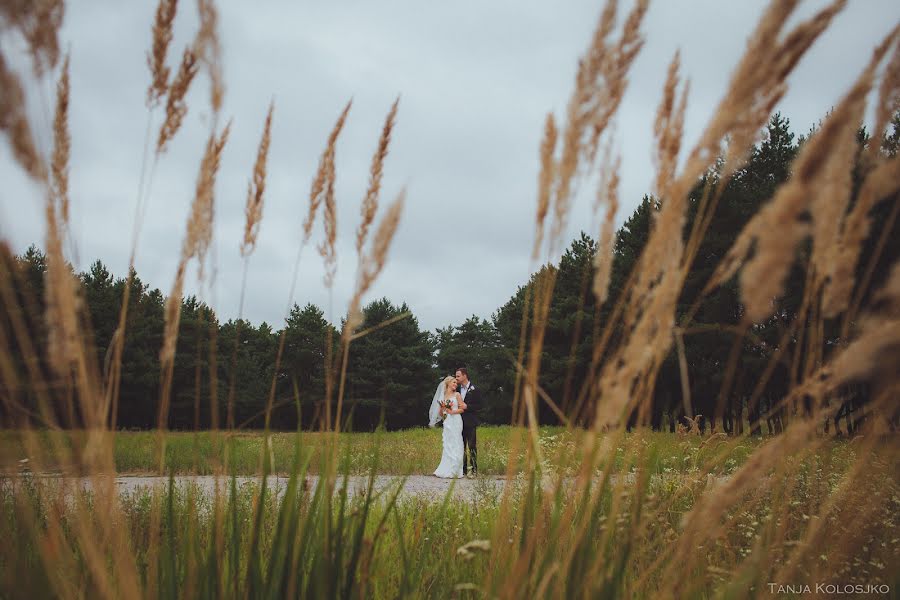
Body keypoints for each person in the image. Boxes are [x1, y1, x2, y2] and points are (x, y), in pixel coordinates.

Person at [430, 375, 466, 478]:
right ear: (448, 384)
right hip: (448, 421)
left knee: (456, 442)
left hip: (456, 420)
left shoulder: (457, 395)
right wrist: (442, 408)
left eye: (456, 383)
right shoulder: (443, 396)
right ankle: (446, 468)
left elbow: (462, 409)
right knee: (448, 443)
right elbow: (441, 414)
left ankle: (456, 470)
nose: (455, 384)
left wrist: (452, 411)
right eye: (453, 382)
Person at [455, 367, 480, 477]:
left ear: (465, 376)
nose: (456, 378)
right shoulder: (457, 389)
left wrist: (467, 406)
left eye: (458, 376)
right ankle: (463, 470)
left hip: (471, 422)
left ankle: (474, 470)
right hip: (459, 422)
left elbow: (480, 406)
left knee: (472, 446)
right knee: (461, 446)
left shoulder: (475, 389)